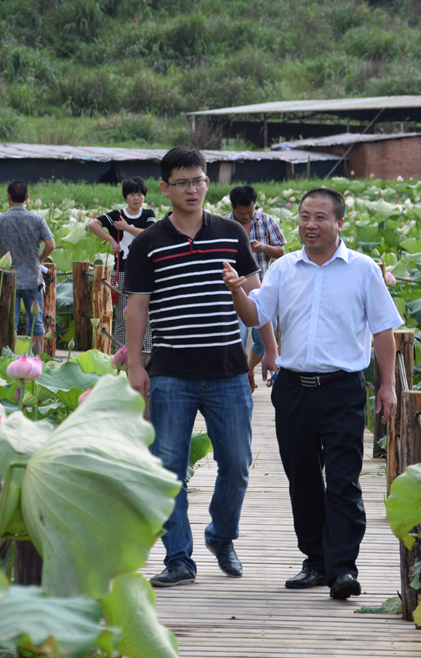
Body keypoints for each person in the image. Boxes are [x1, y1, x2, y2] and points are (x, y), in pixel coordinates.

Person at [221, 187, 403, 600]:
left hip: (342, 390)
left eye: (320, 217)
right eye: (304, 216)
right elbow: (255, 314)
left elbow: (383, 331)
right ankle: (315, 562)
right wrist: (236, 288)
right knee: (302, 479)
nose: (310, 225)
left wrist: (387, 385)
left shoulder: (363, 270)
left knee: (342, 481)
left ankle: (342, 568)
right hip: (292, 391)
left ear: (340, 222)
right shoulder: (284, 268)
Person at [124, 146, 277, 587]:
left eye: (199, 181)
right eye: (182, 182)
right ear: (165, 187)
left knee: (237, 462)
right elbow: (137, 309)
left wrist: (269, 348)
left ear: (208, 183)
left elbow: (256, 301)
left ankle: (221, 535)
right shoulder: (149, 242)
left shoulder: (232, 233)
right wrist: (136, 366)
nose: (192, 189)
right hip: (171, 371)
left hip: (229, 369)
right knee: (168, 466)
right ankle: (178, 558)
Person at [224, 185, 285, 391]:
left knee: (263, 341)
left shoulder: (267, 221)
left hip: (264, 291)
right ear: (233, 207)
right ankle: (240, 379)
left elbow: (281, 251)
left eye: (250, 212)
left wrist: (263, 247)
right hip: (236, 293)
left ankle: (249, 369)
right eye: (242, 214)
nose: (247, 217)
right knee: (238, 339)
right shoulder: (224, 225)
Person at [87, 177, 156, 351]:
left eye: (140, 194)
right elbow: (92, 224)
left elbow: (150, 234)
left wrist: (126, 227)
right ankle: (121, 353)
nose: (136, 198)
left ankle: (146, 353)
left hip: (146, 271)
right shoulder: (117, 216)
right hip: (123, 270)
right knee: (121, 315)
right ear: (126, 196)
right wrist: (111, 240)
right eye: (132, 194)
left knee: (146, 315)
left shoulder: (148, 215)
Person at [0, 180, 55, 349]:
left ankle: (11, 359)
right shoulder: (37, 219)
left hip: (10, 280)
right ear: (27, 197)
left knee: (11, 323)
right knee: (36, 324)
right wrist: (40, 257)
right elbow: (51, 245)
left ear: (8, 197)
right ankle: (36, 360)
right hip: (33, 278)